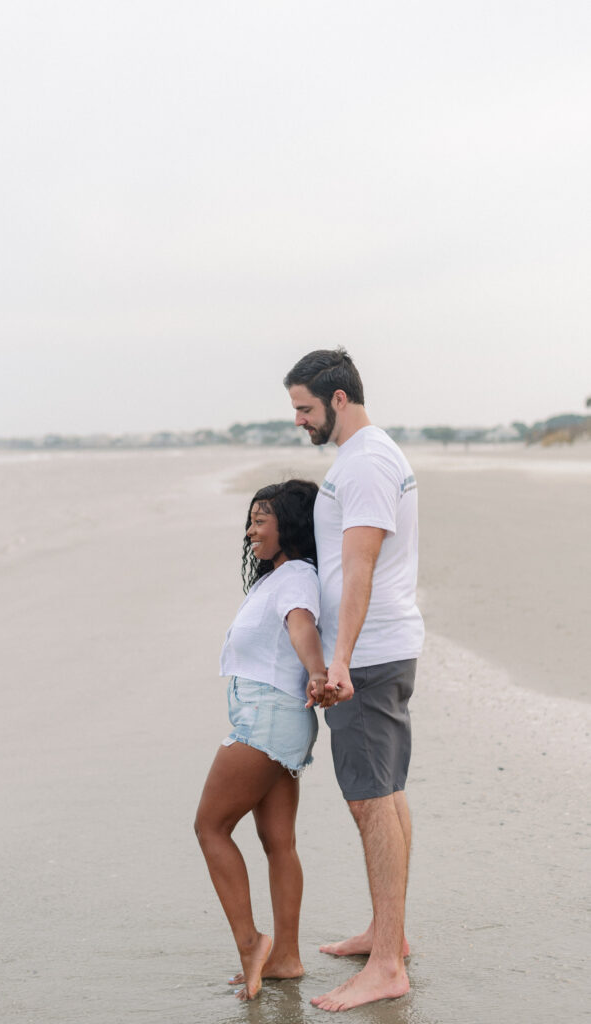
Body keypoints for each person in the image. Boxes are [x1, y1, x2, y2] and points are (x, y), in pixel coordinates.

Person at [284, 347, 425, 1011]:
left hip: (365, 656)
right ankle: (385, 933)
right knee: (382, 794)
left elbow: (360, 567)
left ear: (339, 398)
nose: (300, 421)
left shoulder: (366, 461)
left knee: (372, 799)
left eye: (305, 408)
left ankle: (389, 964)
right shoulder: (366, 457)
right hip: (373, 650)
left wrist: (337, 659)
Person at [194, 478, 332, 1001]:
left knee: (210, 826)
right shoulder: (279, 578)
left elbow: (302, 626)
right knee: (279, 843)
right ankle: (287, 958)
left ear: (290, 527)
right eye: (249, 520)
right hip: (278, 716)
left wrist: (317, 673)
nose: (250, 530)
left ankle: (253, 943)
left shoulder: (295, 576)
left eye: (261, 520)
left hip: (267, 716)